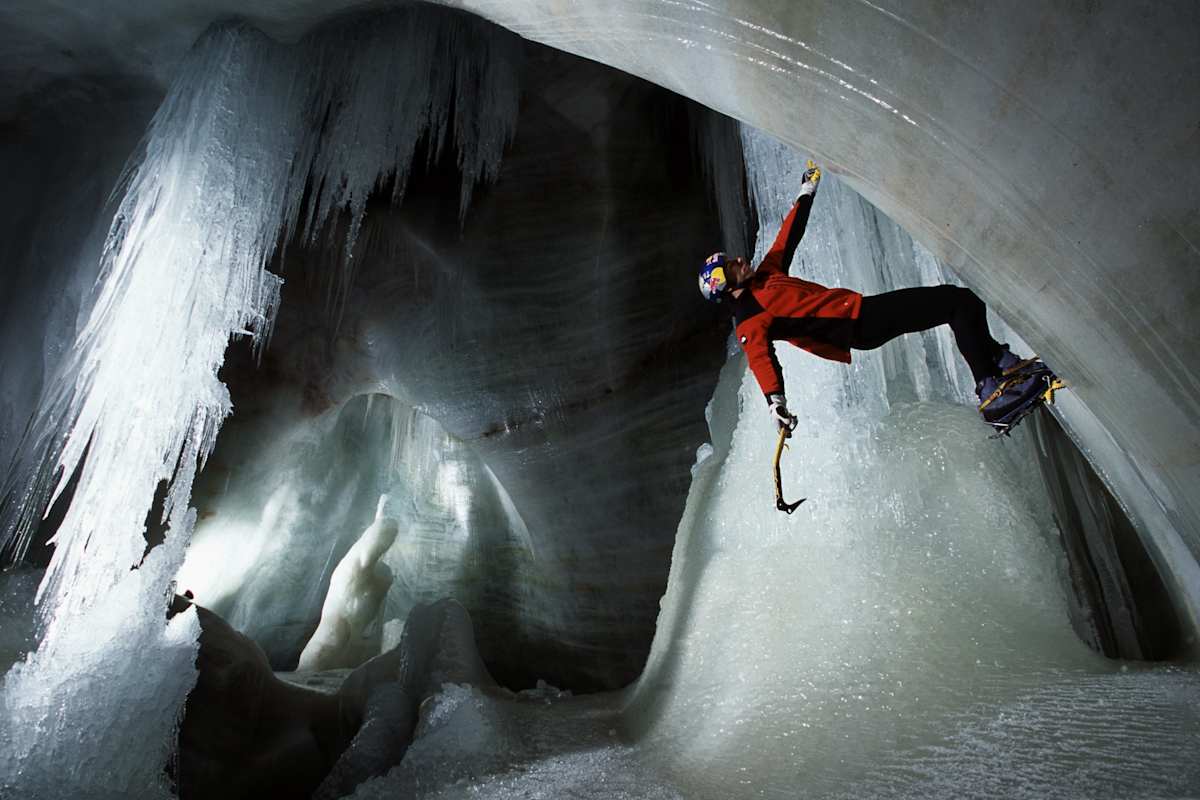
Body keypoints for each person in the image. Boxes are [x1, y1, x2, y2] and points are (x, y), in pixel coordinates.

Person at [697, 161, 1048, 435]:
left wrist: (807, 190)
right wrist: (776, 402)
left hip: (862, 314)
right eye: (730, 267)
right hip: (859, 325)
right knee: (957, 304)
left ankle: (999, 364)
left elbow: (787, 237)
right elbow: (761, 359)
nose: (739, 261)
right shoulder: (749, 317)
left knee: (962, 302)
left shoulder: (766, 277)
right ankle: (990, 389)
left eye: (732, 259)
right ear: (727, 287)